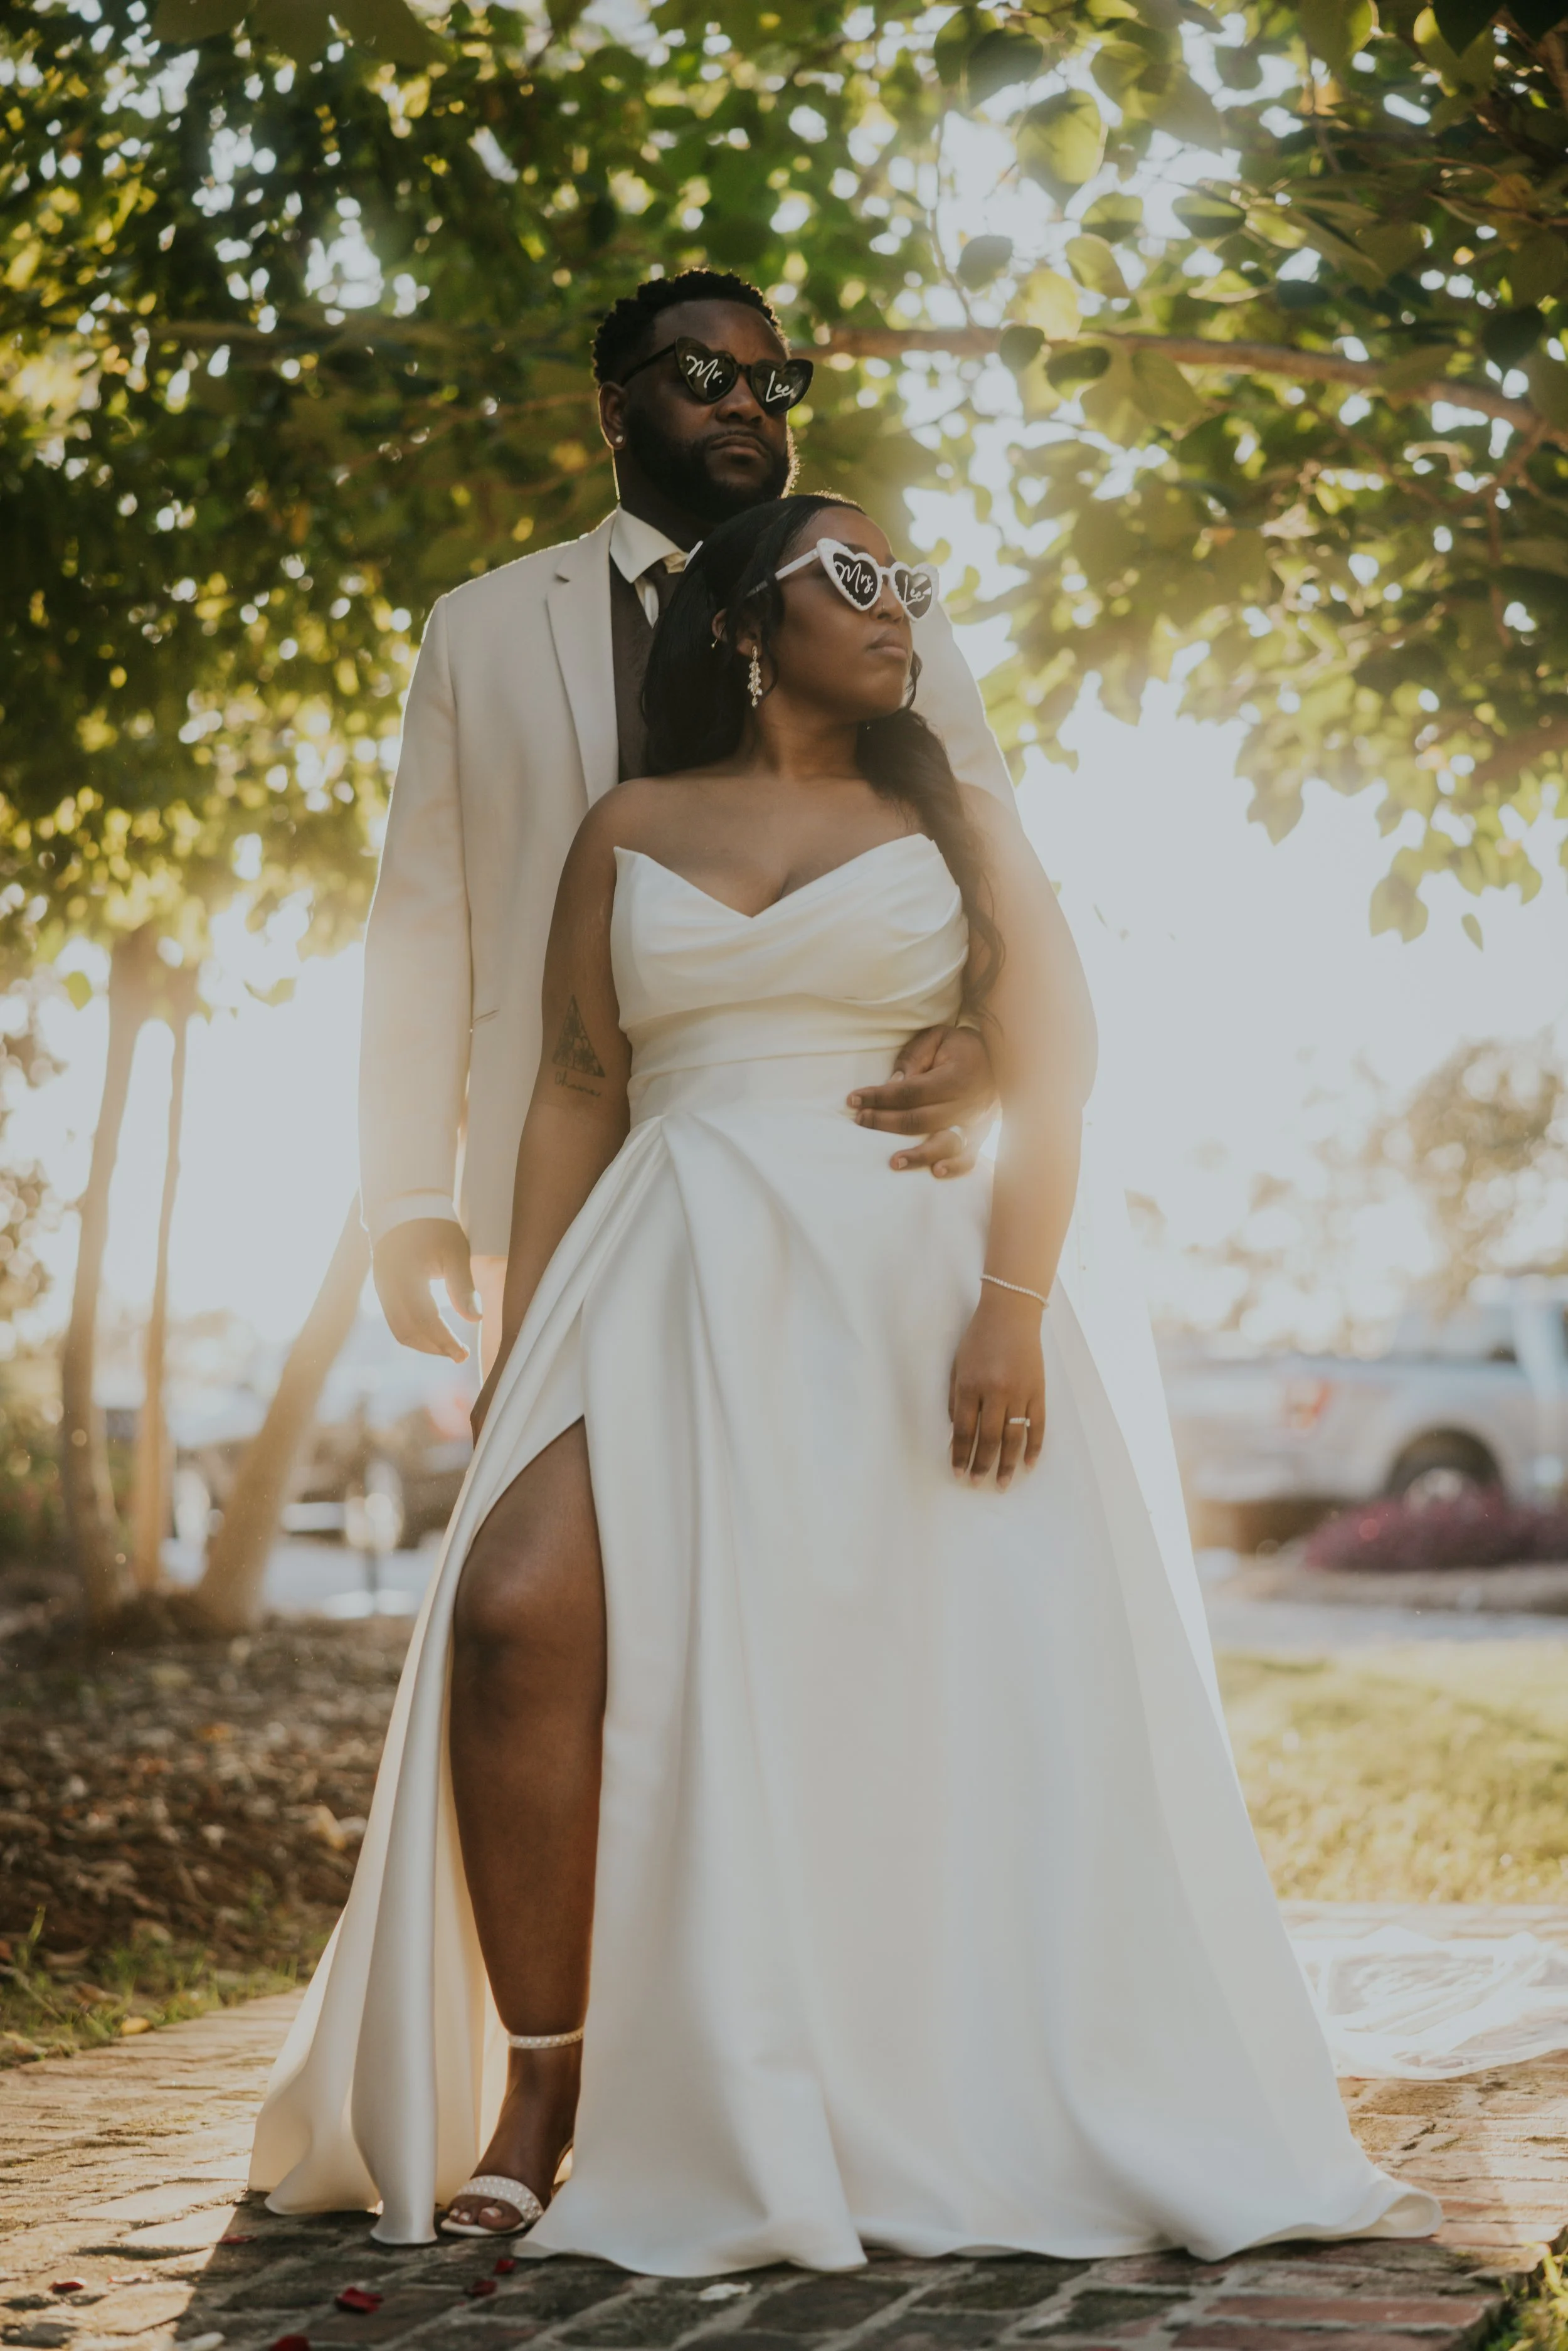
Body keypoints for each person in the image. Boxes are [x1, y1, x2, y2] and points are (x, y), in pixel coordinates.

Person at [252, 494, 1439, 2268]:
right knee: (514, 1612)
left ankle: (891, 2068)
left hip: (904, 1280)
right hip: (656, 1266)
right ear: (747, 620)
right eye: (857, 578)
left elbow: (1056, 1065)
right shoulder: (626, 824)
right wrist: (519, 1346)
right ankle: (542, 2085)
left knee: (888, 1684)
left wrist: (1011, 1305)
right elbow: (580, 1079)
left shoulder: (943, 819)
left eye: (914, 581)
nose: (900, 608)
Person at [361, 270, 1042, 1372]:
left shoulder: (893, 614)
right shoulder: (479, 631)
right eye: (705, 375)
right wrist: (402, 1195)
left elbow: (989, 864)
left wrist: (987, 1047)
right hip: (549, 1191)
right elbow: (421, 932)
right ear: (617, 411)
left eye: (773, 384)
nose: (746, 404)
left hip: (857, 1174)